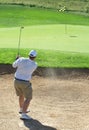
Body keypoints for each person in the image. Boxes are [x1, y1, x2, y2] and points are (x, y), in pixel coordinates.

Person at [12, 50, 37, 120]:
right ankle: (23, 114)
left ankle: (21, 109)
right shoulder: (35, 65)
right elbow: (27, 66)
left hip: (16, 81)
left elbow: (13, 65)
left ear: (28, 55)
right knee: (28, 98)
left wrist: (17, 59)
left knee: (21, 95)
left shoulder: (21, 59)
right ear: (35, 57)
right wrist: (19, 60)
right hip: (25, 83)